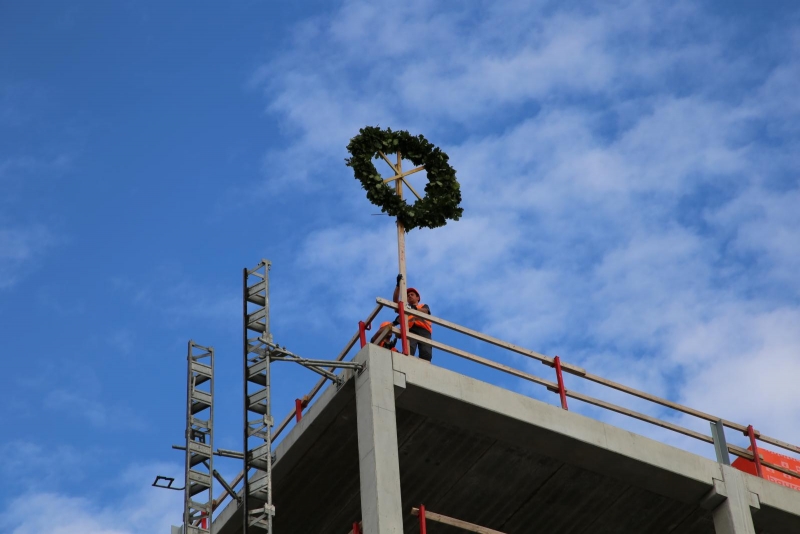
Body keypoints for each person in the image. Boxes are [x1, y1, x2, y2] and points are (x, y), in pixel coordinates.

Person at [392, 274, 433, 362]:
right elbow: (395, 301)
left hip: (424, 331)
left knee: (426, 354)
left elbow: (426, 311)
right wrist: (398, 286)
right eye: (408, 295)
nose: (410, 296)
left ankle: (425, 368)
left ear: (418, 297)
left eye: (412, 294)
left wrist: (413, 308)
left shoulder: (423, 306)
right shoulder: (405, 308)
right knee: (409, 350)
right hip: (411, 330)